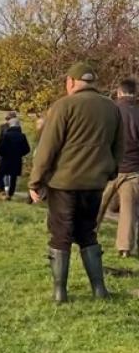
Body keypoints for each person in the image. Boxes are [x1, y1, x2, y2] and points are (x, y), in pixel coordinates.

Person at [29, 62, 123, 303]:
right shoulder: (112, 108)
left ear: (71, 82)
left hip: (64, 182)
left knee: (61, 235)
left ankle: (60, 292)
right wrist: (109, 172)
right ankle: (99, 290)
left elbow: (47, 147)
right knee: (87, 233)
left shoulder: (64, 106)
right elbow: (118, 147)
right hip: (95, 183)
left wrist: (35, 181)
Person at [100, 79, 139, 259]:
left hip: (109, 167)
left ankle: (84, 238)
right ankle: (125, 248)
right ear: (135, 93)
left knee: (96, 205)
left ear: (119, 92)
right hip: (133, 169)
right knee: (128, 211)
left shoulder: (110, 111)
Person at [0, 117, 31, 200]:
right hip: (16, 159)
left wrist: (2, 154)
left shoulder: (6, 135)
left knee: (0, 174)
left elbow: (2, 148)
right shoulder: (22, 136)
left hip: (6, 158)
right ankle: (10, 194)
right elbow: (27, 149)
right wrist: (20, 154)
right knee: (13, 177)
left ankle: (2, 190)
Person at [0, 111, 18, 193]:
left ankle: (0, 186)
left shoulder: (2, 127)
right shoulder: (18, 129)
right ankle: (7, 187)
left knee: (0, 169)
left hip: (2, 151)